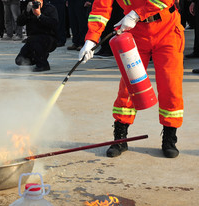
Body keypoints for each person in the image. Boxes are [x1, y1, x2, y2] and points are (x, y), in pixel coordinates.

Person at [78, 0, 184, 158]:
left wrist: (136, 14)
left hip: (166, 30)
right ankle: (120, 138)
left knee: (170, 85)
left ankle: (169, 138)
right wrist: (91, 40)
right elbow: (101, 8)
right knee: (128, 87)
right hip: (135, 32)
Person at [15, 0, 58, 72]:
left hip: (48, 39)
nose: (35, 4)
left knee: (35, 40)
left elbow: (54, 24)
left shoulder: (50, 8)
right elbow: (19, 22)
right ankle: (40, 56)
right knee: (20, 60)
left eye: (37, 2)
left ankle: (43, 64)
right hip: (32, 40)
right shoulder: (30, 9)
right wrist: (26, 12)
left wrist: (39, 16)